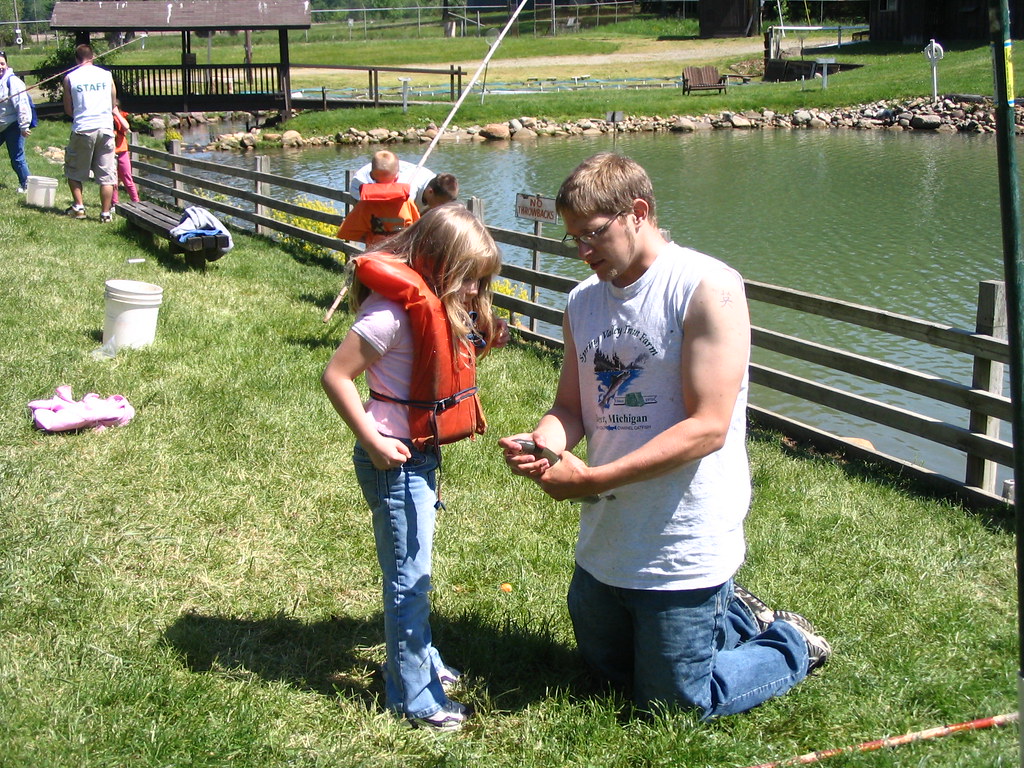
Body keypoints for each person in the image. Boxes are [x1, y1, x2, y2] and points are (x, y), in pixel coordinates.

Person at [499, 153, 830, 718]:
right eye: (574, 237)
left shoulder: (708, 287)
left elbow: (707, 427)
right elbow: (570, 407)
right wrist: (545, 446)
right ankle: (735, 616)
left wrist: (591, 480)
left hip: (685, 544)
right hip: (608, 541)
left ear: (638, 212)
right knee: (606, 681)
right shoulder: (583, 301)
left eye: (593, 234)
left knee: (673, 708)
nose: (583, 251)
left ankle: (791, 642)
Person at [322, 203, 509, 731]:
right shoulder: (389, 313)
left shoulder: (436, 304)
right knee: (409, 579)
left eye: (481, 280)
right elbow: (336, 376)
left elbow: (439, 362)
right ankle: (412, 697)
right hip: (395, 460)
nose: (474, 290)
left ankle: (419, 660)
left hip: (419, 454)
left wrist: (484, 334)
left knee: (414, 573)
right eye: (468, 278)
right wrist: (373, 440)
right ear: (435, 262)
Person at [62, 44, 117, 222]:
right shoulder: (106, 75)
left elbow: (68, 109)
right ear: (92, 56)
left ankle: (79, 207)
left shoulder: (70, 77)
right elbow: (113, 102)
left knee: (73, 170)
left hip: (83, 128)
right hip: (106, 128)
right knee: (106, 175)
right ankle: (105, 214)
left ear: (76, 59)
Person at [349, 150, 457, 212]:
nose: (441, 207)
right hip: (363, 183)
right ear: (430, 191)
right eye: (440, 203)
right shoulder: (409, 189)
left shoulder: (435, 182)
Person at [0, 51, 33, 194]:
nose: (0, 67)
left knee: (17, 158)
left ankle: (27, 185)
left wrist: (24, 126)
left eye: (2, 63)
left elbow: (22, 105)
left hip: (13, 125)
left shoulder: (13, 82)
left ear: (7, 64)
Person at [111, 103, 139, 205]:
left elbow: (126, 127)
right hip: (110, 153)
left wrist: (116, 114)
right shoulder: (104, 118)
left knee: (128, 179)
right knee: (113, 180)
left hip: (122, 151)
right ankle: (114, 203)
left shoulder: (120, 116)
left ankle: (136, 201)